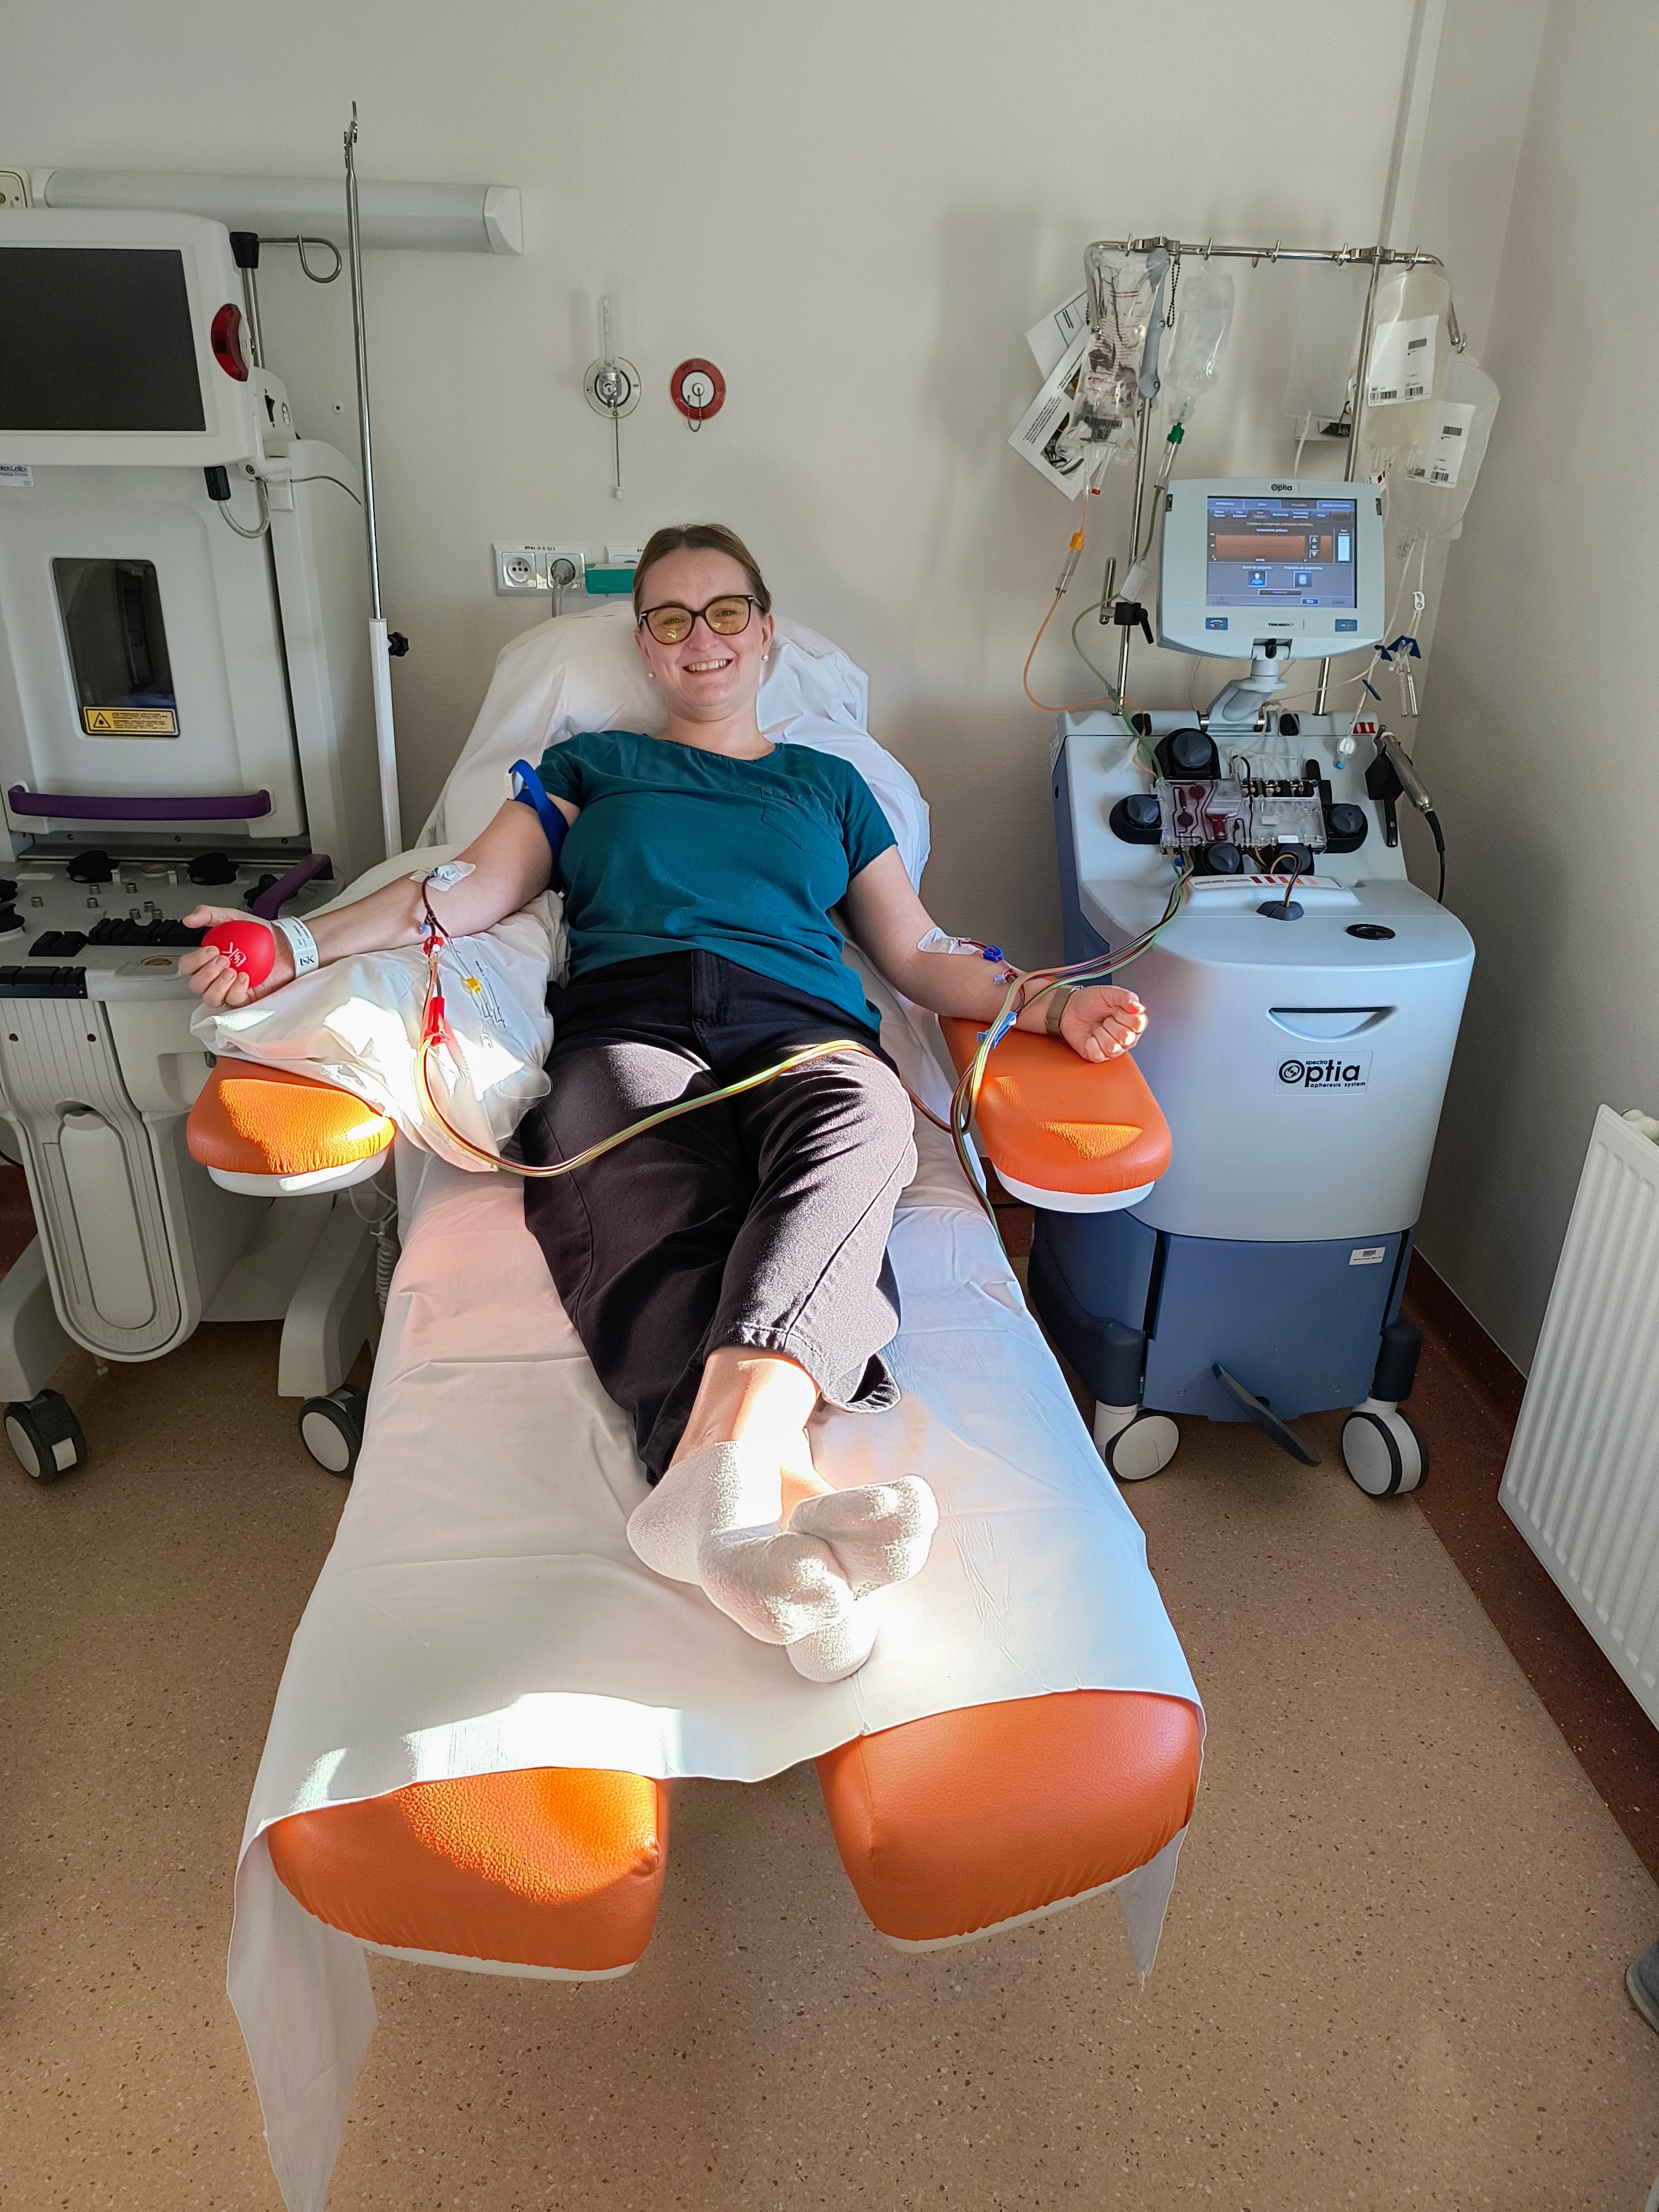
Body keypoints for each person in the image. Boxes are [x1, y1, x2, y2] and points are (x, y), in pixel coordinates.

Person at [180, 523, 1148, 1681]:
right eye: (672, 619)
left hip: (800, 1027)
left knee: (867, 1126)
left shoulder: (830, 786)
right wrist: (295, 942)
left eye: (726, 612)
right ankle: (776, 1502)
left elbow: (919, 951)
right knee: (640, 1182)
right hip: (631, 1023)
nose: (702, 639)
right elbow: (464, 891)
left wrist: (1046, 1004)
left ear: (767, 630)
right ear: (644, 645)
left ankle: (708, 1484)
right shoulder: (592, 766)